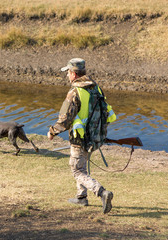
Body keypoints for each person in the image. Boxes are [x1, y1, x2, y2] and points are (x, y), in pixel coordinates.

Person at [47, 58, 116, 214]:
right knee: (81, 166)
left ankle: (101, 192)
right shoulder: (96, 88)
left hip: (80, 138)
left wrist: (52, 132)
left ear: (73, 73)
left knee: (77, 170)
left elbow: (65, 119)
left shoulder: (74, 92)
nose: (67, 76)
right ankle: (81, 197)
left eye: (68, 73)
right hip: (95, 136)